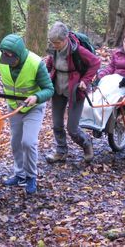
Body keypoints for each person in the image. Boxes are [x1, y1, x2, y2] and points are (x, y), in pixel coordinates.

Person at [0, 34, 54, 194]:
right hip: (14, 107)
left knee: (28, 142)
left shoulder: (35, 63)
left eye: (11, 58)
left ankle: (31, 177)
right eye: (5, 56)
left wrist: (36, 97)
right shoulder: (1, 56)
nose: (7, 60)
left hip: (33, 107)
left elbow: (49, 89)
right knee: (15, 142)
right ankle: (19, 174)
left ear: (19, 54)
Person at [45, 22, 100, 163]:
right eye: (52, 43)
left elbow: (95, 62)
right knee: (57, 124)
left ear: (65, 39)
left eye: (57, 43)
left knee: (72, 128)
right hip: (57, 87)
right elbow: (50, 65)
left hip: (75, 89)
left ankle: (86, 144)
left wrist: (85, 80)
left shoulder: (77, 50)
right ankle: (61, 151)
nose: (54, 45)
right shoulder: (54, 49)